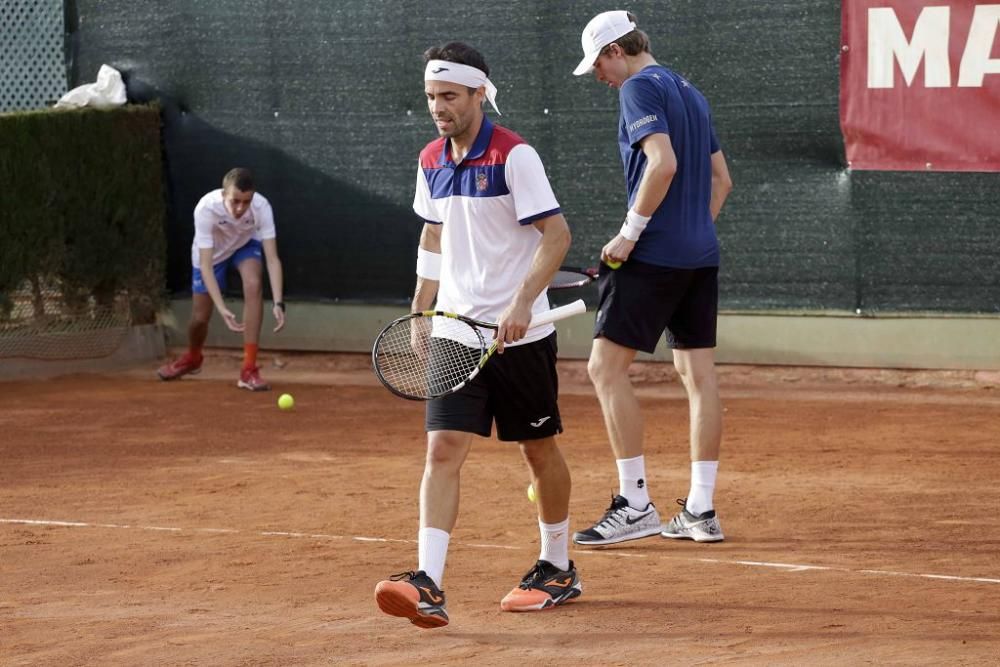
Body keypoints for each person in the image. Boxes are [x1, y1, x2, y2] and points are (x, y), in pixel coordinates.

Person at [374, 42, 579, 629]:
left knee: (537, 450)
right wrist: (421, 308)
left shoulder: (516, 156)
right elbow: (434, 236)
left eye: (450, 96)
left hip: (522, 334)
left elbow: (556, 235)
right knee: (442, 449)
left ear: (479, 93)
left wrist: (520, 302)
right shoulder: (430, 158)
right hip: (454, 332)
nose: (439, 107)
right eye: (432, 97)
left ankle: (557, 565)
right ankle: (429, 581)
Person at [569, 11, 733, 547]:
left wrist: (630, 234)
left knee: (604, 368)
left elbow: (660, 164)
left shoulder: (638, 88)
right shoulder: (692, 92)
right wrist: (689, 232)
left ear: (617, 50)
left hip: (654, 254)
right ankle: (701, 510)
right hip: (699, 255)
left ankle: (635, 503)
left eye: (598, 63)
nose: (598, 76)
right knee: (698, 377)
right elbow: (720, 181)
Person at [156, 168, 286, 391]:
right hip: (211, 255)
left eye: (246, 202)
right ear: (223, 195)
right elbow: (206, 266)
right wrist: (222, 308)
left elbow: (272, 259)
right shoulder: (206, 208)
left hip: (244, 244)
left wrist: (278, 302)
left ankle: (248, 369)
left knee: (254, 284)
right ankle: (193, 357)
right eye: (235, 201)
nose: (240, 208)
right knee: (199, 318)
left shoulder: (261, 207)